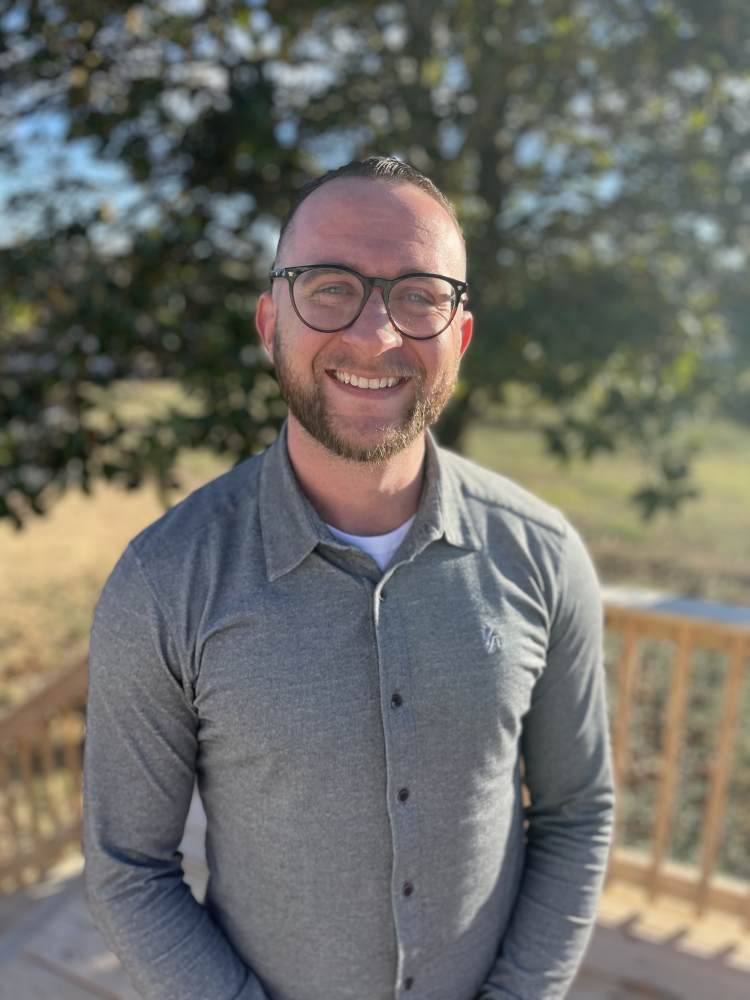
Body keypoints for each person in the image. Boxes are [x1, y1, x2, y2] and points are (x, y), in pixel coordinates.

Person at [83, 157, 614, 1000]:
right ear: (269, 324)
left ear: (460, 337)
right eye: (330, 286)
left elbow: (576, 815)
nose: (375, 336)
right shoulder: (165, 582)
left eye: (420, 294)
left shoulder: (543, 557)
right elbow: (128, 870)